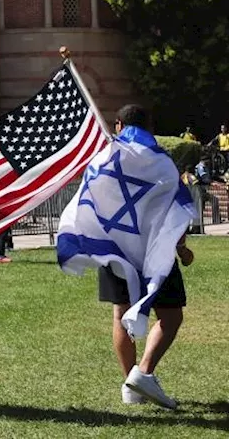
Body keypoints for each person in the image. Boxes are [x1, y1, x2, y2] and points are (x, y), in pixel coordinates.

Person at [102, 105, 194, 410]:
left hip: (117, 245)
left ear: (118, 125)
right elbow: (176, 201)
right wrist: (180, 245)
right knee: (170, 315)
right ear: (150, 126)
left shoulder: (106, 159)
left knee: (121, 313)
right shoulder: (160, 159)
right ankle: (141, 374)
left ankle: (131, 382)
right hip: (155, 248)